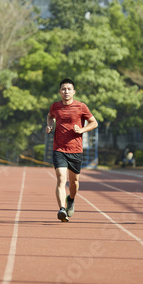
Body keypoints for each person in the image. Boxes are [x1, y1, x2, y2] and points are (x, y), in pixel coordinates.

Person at [46, 78, 98, 222]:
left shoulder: (81, 107)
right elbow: (50, 116)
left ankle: (71, 199)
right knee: (61, 179)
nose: (66, 91)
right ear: (59, 92)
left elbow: (94, 122)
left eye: (69, 89)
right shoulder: (55, 107)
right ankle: (62, 209)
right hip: (59, 148)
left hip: (75, 149)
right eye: (63, 89)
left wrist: (82, 129)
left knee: (74, 182)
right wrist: (50, 125)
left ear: (73, 91)